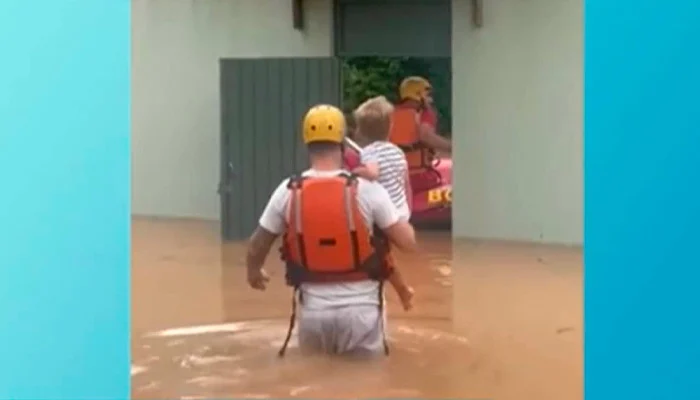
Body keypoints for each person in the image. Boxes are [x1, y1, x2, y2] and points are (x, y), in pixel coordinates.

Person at [245, 104, 418, 358]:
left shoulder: (287, 190)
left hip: (314, 315)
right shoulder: (368, 190)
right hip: (362, 315)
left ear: (306, 143)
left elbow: (257, 244)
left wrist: (254, 272)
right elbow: (407, 243)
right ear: (343, 143)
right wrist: (401, 210)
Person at [350, 95, 415, 311]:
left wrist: (356, 172)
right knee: (384, 255)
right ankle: (403, 291)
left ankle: (403, 290)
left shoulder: (370, 152)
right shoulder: (397, 152)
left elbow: (373, 173)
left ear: (362, 131)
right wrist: (408, 211)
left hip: (383, 215)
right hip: (401, 212)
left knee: (381, 256)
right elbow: (405, 183)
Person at [389, 76, 452, 191]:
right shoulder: (424, 113)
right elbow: (426, 136)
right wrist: (452, 147)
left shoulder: (390, 114)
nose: (430, 100)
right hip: (421, 178)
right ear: (418, 94)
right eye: (427, 95)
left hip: (396, 178)